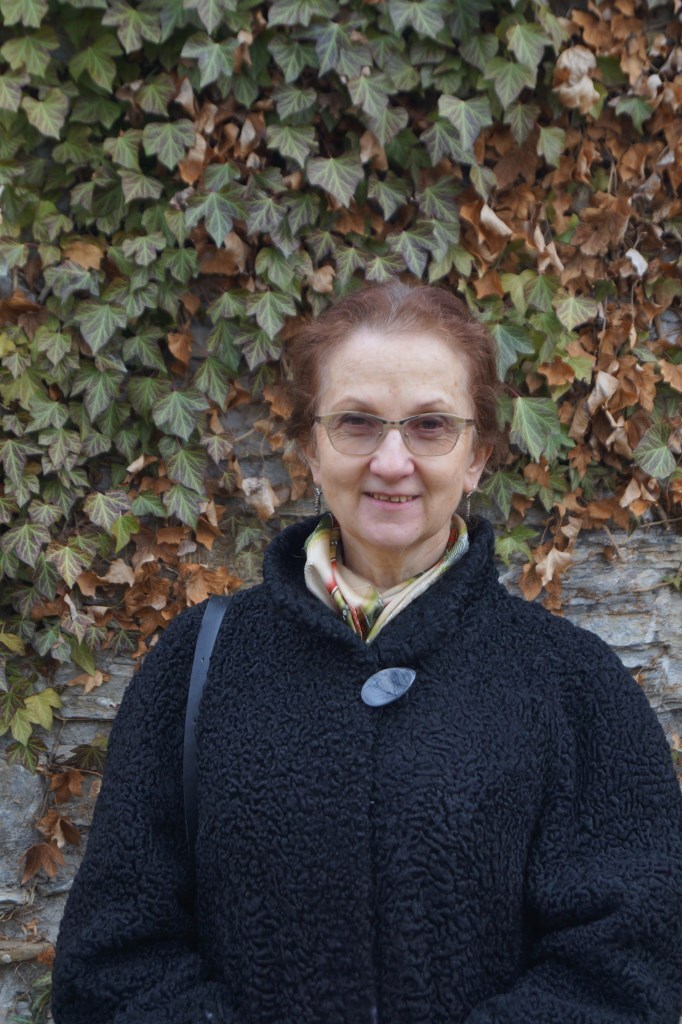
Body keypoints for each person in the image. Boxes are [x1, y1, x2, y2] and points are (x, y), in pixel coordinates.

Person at [52, 281, 682, 1024]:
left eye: (429, 426)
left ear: (477, 457)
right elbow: (114, 958)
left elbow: (632, 960)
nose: (391, 460)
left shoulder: (571, 681)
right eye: (356, 423)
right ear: (310, 448)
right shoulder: (199, 662)